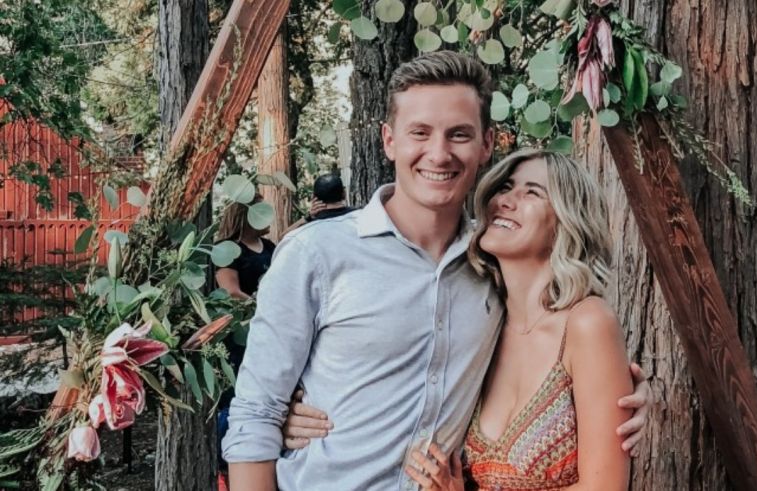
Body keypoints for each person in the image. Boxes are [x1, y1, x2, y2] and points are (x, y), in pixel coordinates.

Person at [222, 51, 651, 490]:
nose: (439, 153)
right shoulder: (316, 253)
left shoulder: (491, 270)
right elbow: (257, 412)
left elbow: (557, 351)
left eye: (459, 134)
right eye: (420, 133)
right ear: (390, 140)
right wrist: (286, 418)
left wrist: (627, 393)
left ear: (487, 144)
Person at [400, 149, 633, 489]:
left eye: (532, 192)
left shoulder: (586, 323)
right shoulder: (483, 325)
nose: (506, 200)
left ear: (568, 220)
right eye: (506, 187)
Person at [213, 195, 276, 485]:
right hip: (239, 337)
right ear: (245, 212)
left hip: (267, 337)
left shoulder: (271, 248)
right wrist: (262, 306)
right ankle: (228, 472)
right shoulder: (228, 251)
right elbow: (229, 291)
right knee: (235, 399)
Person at [280, 173, 357, 238]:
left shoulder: (308, 230)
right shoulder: (362, 217)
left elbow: (284, 237)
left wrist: (308, 217)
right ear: (344, 194)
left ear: (313, 197)